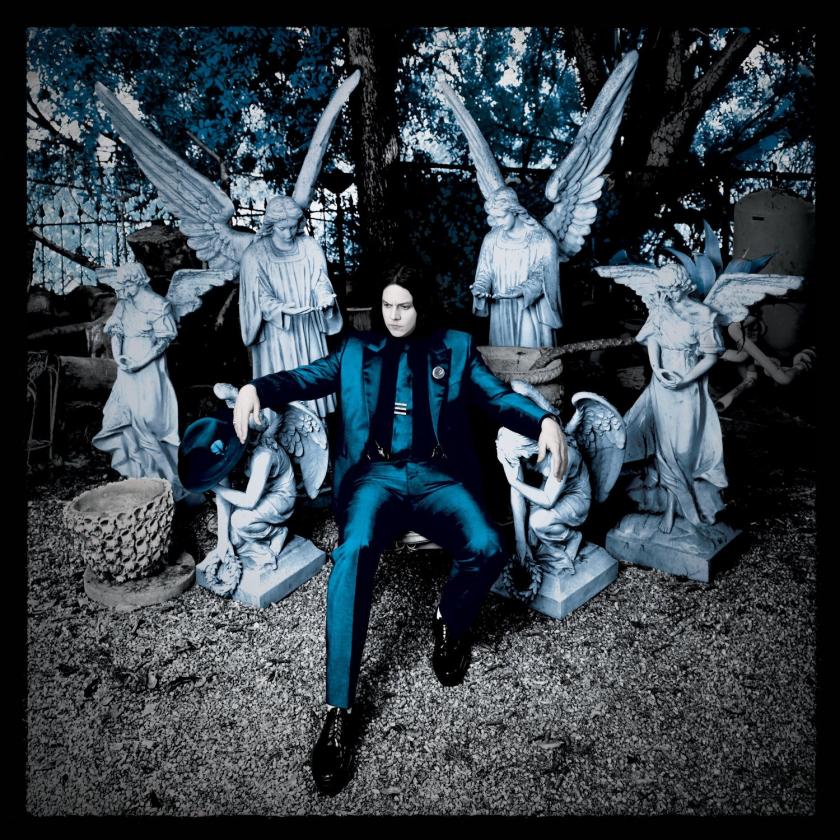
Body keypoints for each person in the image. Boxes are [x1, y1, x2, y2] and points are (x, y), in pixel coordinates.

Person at [232, 263, 568, 794]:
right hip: (375, 478)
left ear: (421, 306)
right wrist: (256, 388)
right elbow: (301, 378)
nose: (393, 315)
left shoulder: (456, 347)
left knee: (488, 546)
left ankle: (448, 620)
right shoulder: (354, 351)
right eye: (387, 305)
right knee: (354, 551)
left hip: (438, 476)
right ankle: (338, 711)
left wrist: (544, 420)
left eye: (404, 306)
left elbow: (498, 398)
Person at [624, 266, 727, 534]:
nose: (668, 295)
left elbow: (711, 357)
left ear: (683, 286)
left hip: (687, 386)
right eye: (664, 290)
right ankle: (671, 508)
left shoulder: (702, 314)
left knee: (683, 451)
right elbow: (652, 340)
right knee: (664, 449)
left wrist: (684, 380)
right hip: (661, 384)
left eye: (672, 290)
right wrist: (657, 369)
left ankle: (690, 505)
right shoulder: (661, 309)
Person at [238, 195, 343, 418]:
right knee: (280, 391)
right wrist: (282, 309)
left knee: (314, 384)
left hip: (308, 329)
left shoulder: (309, 247)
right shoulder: (255, 254)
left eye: (293, 227)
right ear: (271, 225)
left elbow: (320, 280)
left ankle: (318, 429)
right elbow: (257, 296)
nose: (288, 233)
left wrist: (325, 297)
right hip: (277, 334)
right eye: (282, 228)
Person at [92, 263, 187, 499]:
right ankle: (143, 478)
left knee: (147, 422)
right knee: (126, 421)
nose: (122, 291)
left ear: (138, 281)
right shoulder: (125, 303)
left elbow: (163, 341)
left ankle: (171, 480)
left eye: (126, 285)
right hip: (127, 370)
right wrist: (119, 359)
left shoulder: (157, 305)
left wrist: (140, 362)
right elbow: (116, 332)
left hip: (149, 370)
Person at [470, 188, 562, 348]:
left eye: (501, 216)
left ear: (514, 210)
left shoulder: (542, 239)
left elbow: (545, 277)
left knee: (530, 355)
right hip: (501, 309)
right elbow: (485, 272)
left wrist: (520, 290)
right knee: (502, 355)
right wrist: (480, 287)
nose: (498, 222)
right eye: (494, 217)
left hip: (529, 310)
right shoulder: (491, 239)